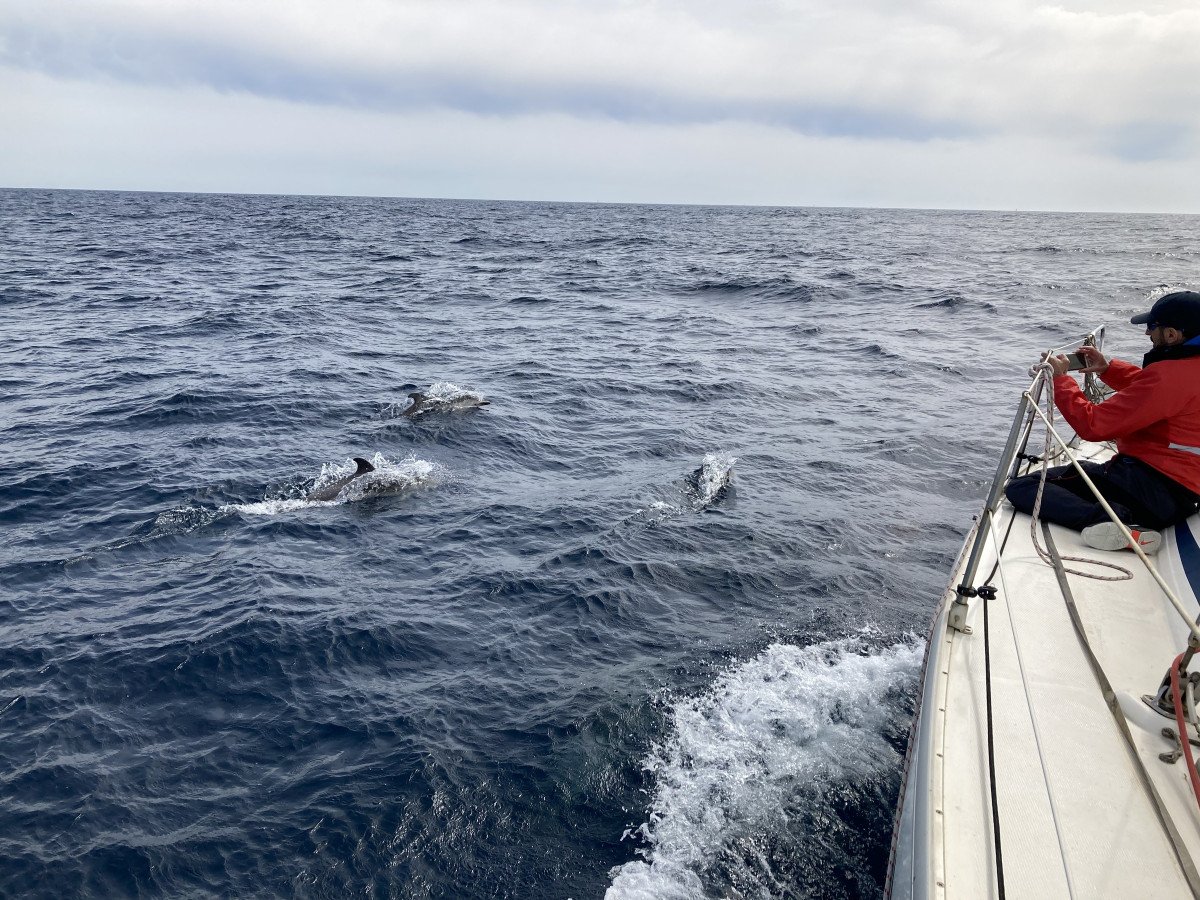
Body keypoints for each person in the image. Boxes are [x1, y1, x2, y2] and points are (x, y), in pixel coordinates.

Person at [1005, 290, 1200, 553]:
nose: (1147, 335)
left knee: (1023, 487)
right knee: (1081, 471)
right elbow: (1155, 394)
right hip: (1184, 495)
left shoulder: (1168, 377)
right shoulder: (1187, 371)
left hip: (1149, 491)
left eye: (1152, 327)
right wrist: (1107, 368)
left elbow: (1093, 426)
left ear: (1172, 335)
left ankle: (1116, 523)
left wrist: (1062, 381)